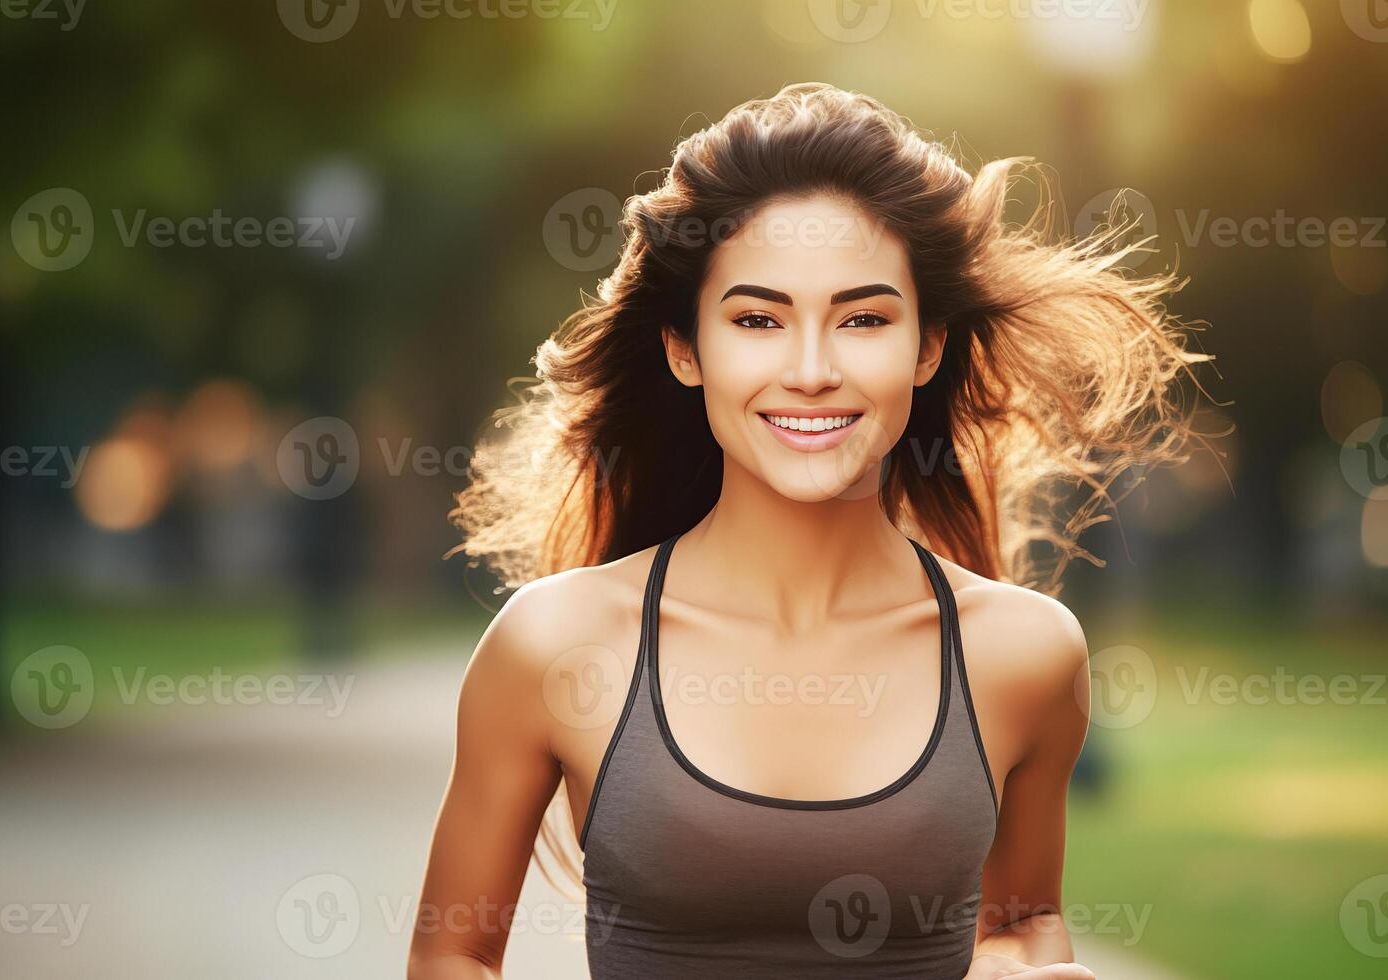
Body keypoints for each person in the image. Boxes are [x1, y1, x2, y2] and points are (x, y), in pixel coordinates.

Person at [408, 81, 1212, 979]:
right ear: (685, 348)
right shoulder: (552, 644)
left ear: (927, 345)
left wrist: (1023, 964)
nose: (812, 370)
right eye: (758, 320)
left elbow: (1022, 922)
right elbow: (454, 955)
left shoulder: (1027, 656)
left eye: (864, 319)